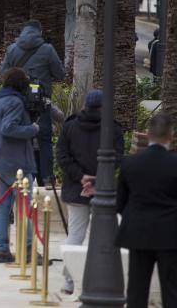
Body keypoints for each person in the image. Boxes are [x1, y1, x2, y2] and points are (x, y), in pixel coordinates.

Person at [55, 90, 124, 295]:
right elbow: (117, 156)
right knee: (104, 235)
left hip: (76, 188)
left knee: (75, 234)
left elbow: (62, 155)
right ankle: (102, 278)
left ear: (85, 105)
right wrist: (96, 179)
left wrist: (80, 177)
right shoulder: (112, 128)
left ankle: (69, 281)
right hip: (103, 189)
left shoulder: (70, 125)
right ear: (103, 107)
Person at [116, 113, 177, 308]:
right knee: (172, 291)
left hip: (138, 233)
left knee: (136, 290)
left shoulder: (130, 163)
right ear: (171, 136)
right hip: (170, 235)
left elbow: (120, 202)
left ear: (148, 134)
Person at [0, 67, 39, 264]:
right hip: (16, 163)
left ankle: (3, 249)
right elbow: (8, 128)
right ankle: (29, 250)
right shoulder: (15, 102)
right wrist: (32, 129)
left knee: (3, 208)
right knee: (25, 208)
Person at [0, 19, 65, 185]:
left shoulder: (12, 49)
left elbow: (3, 74)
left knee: (22, 139)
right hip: (41, 103)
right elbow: (60, 74)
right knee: (44, 141)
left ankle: (22, 179)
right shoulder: (48, 50)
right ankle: (47, 179)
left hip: (18, 103)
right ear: (40, 32)